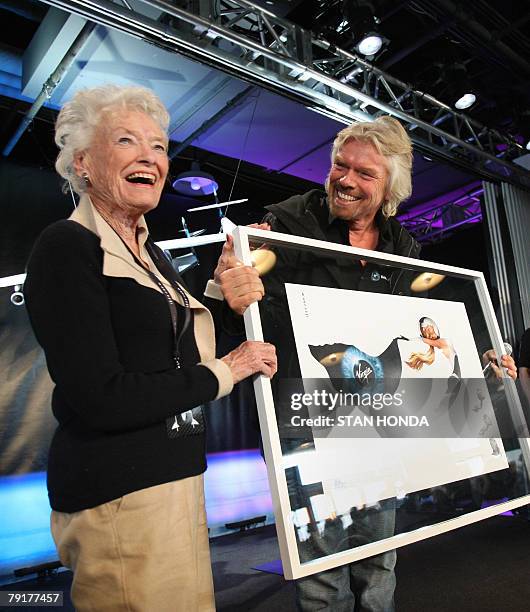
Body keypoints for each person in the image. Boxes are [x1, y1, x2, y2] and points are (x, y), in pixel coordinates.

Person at [214, 115, 517, 611]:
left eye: (365, 173)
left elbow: (418, 333)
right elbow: (239, 327)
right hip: (306, 427)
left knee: (378, 562)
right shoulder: (283, 228)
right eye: (340, 165)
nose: (347, 180)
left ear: (390, 188)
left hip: (377, 425)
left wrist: (477, 356)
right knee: (323, 574)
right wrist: (229, 292)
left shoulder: (403, 249)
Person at [23, 84, 277, 612]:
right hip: (121, 497)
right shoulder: (66, 247)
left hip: (176, 480)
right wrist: (230, 370)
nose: (150, 157)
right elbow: (103, 395)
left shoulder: (151, 253)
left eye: (159, 146)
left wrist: (223, 293)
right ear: (83, 163)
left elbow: (182, 358)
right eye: (126, 141)